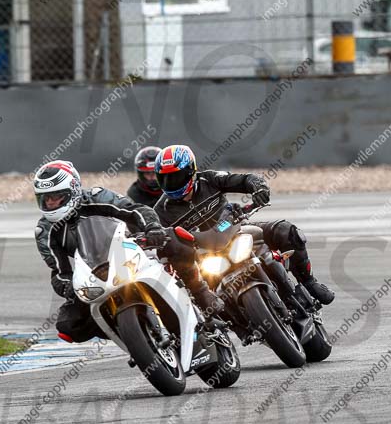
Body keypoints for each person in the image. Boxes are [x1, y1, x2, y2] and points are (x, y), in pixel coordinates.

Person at [34, 160, 222, 342]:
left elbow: (135, 209)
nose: (50, 203)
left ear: (73, 190)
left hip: (130, 245)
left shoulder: (97, 197)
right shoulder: (45, 232)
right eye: (45, 198)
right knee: (68, 325)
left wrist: (152, 228)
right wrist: (68, 287)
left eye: (55, 196)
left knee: (174, 238)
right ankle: (132, 335)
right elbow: (60, 272)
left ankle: (200, 292)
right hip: (95, 269)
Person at [152, 144, 335, 305]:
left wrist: (259, 188)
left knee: (286, 231)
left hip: (236, 230)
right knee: (195, 294)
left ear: (191, 170)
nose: (172, 183)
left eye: (177, 176)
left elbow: (246, 179)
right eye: (165, 178)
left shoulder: (210, 179)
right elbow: (161, 242)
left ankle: (309, 282)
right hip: (203, 254)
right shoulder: (161, 210)